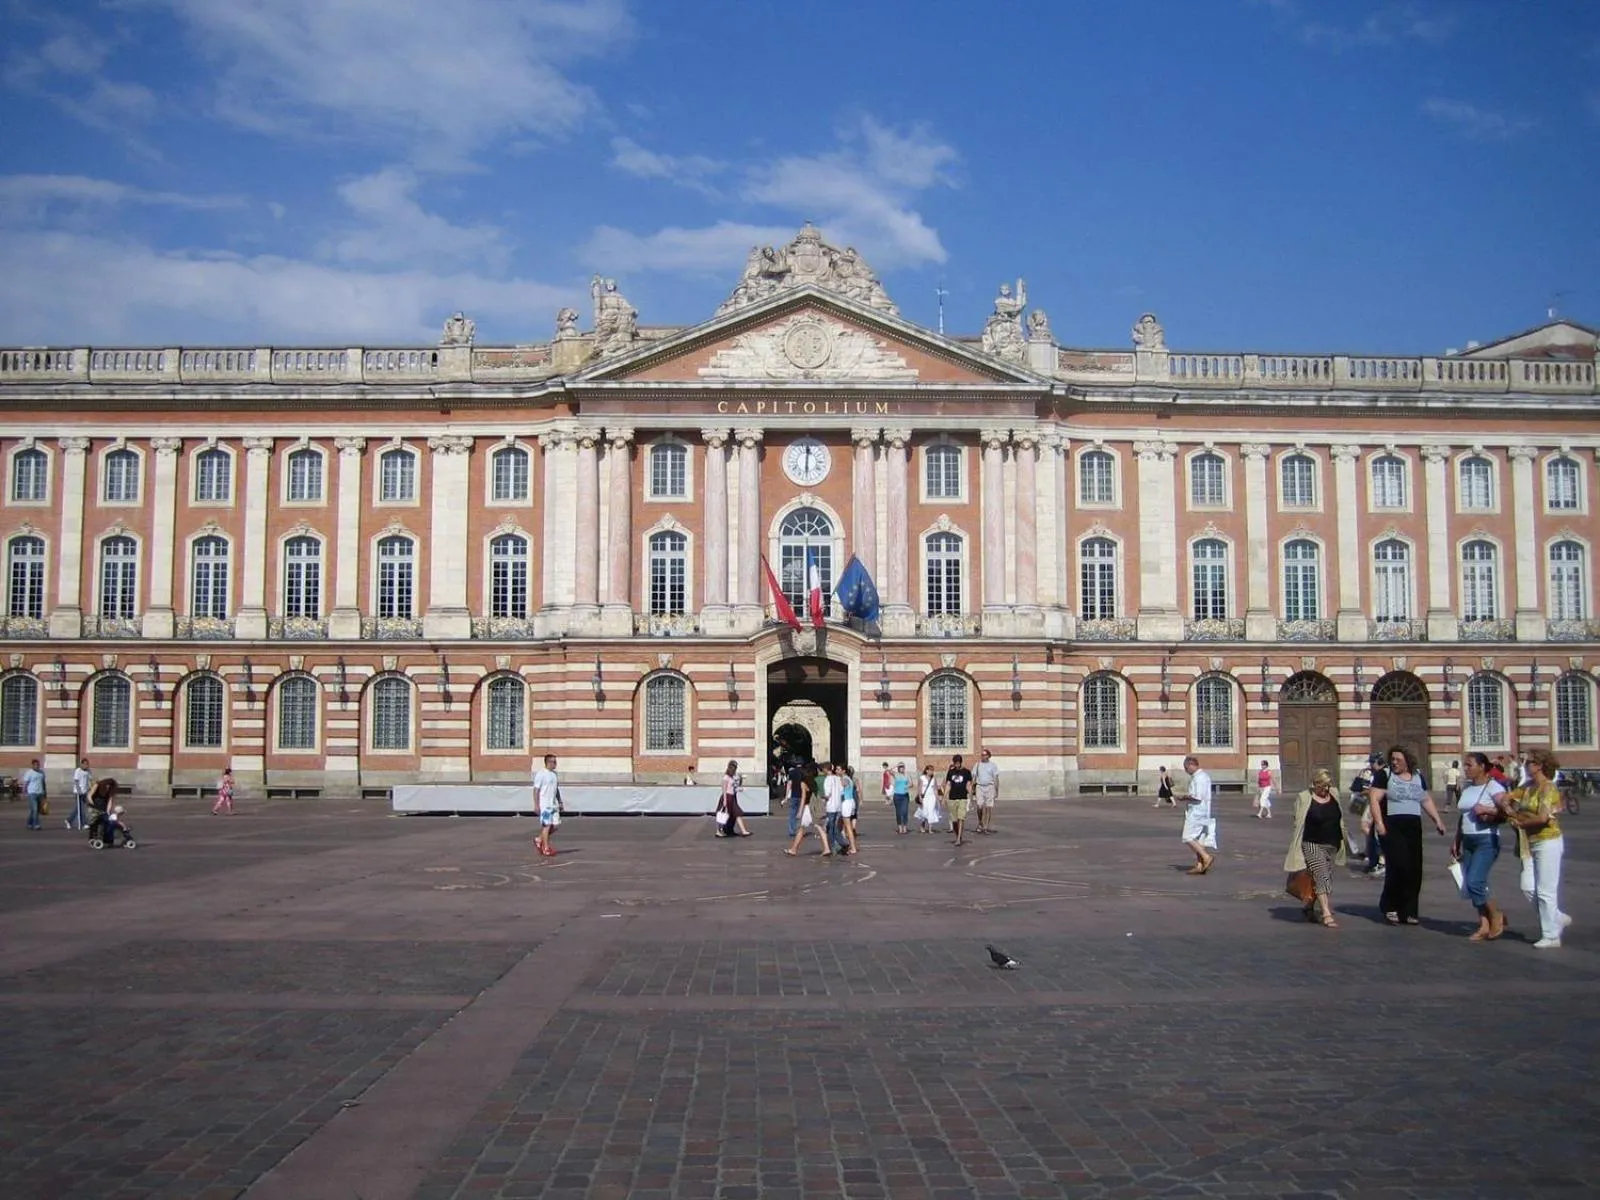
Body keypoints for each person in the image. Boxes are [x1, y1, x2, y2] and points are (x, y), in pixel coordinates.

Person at [1497, 748, 1571, 949]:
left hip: (1548, 841)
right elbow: (1505, 798)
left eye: (1529, 762)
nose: (1525, 765)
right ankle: (1556, 916)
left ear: (1539, 766)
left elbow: (1542, 818)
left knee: (1546, 890)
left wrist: (1520, 821)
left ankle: (1551, 935)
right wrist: (1510, 810)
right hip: (1529, 842)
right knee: (1527, 886)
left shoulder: (1548, 788)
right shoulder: (1528, 787)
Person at [1368, 745, 1448, 926]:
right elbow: (1374, 799)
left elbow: (1425, 799)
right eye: (1393, 759)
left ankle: (1409, 911)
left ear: (1407, 760)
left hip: (1413, 826)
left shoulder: (1417, 776)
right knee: (1398, 866)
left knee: (1414, 869)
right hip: (1391, 825)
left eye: (1398, 759)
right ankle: (1390, 907)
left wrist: (1437, 820)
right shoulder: (1384, 775)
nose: (1394, 762)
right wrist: (1379, 824)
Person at [1453, 751, 1507, 942]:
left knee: (1475, 881)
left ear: (1482, 767)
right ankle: (1484, 925)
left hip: (1486, 839)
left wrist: (1488, 809)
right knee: (1472, 883)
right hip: (1468, 840)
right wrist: (1457, 840)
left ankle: (1496, 915)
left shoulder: (1493, 787)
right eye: (1465, 765)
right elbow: (1463, 816)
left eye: (1469, 765)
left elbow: (1507, 809)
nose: (1465, 769)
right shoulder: (1467, 789)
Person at [1284, 769, 1347, 927]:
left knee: (1320, 876)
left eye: (1328, 785)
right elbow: (1296, 818)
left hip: (1331, 844)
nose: (1326, 789)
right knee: (1322, 875)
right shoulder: (1304, 797)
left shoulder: (1334, 794)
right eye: (1323, 786)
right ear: (1315, 784)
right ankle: (1326, 913)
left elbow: (1340, 817)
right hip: (1311, 843)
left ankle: (1309, 907)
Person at [1181, 755, 1216, 874]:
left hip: (1197, 812)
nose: (1186, 771)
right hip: (1203, 811)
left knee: (1187, 837)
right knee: (1199, 840)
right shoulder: (1202, 776)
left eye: (1186, 768)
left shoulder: (1199, 778)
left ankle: (1206, 857)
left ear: (1191, 765)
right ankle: (1200, 865)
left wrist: (1185, 797)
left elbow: (1198, 796)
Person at [533, 753, 560, 857]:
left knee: (556, 825)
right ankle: (546, 847)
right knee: (547, 825)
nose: (555, 764)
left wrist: (560, 801)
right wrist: (536, 804)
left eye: (555, 762)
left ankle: (539, 839)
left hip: (553, 803)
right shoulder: (541, 774)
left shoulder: (554, 774)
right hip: (545, 804)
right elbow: (536, 790)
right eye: (553, 762)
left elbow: (556, 789)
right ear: (548, 762)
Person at [715, 760, 751, 838]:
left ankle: (740, 830)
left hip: (732, 797)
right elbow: (724, 789)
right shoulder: (726, 777)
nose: (735, 770)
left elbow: (734, 787)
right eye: (734, 768)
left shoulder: (732, 777)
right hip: (727, 797)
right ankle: (719, 831)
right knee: (724, 814)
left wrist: (740, 781)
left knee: (735, 813)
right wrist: (724, 800)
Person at [945, 753, 973, 846]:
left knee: (961, 818)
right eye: (955, 763)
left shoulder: (966, 772)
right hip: (952, 798)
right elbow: (948, 785)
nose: (957, 765)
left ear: (961, 763)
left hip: (962, 798)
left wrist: (971, 797)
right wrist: (944, 797)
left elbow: (968, 785)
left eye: (958, 763)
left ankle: (958, 839)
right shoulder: (950, 772)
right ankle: (958, 835)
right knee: (954, 820)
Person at [974, 749, 1000, 834]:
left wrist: (996, 790)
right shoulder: (977, 765)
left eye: (985, 755)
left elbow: (996, 778)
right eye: (982, 755)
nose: (983, 756)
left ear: (988, 756)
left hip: (990, 786)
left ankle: (985, 827)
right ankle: (980, 822)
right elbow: (974, 777)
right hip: (979, 786)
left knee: (988, 807)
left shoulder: (993, 765)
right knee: (979, 806)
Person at [916, 764, 942, 834]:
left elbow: (935, 789)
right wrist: (920, 797)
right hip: (924, 797)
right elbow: (919, 788)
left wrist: (937, 799)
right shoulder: (922, 778)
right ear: (926, 770)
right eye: (930, 770)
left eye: (932, 770)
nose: (931, 772)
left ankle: (930, 829)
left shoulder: (933, 779)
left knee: (931, 811)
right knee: (924, 812)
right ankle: (922, 825)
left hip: (932, 797)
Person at [68, 757, 92, 830]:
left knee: (78, 808)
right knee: (81, 808)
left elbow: (90, 780)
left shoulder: (88, 771)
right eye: (84, 764)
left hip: (85, 792)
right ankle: (84, 823)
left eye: (87, 764)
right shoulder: (78, 771)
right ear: (81, 764)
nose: (86, 766)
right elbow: (76, 781)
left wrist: (90, 789)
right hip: (78, 792)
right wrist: (78, 790)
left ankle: (69, 820)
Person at [22, 757, 45, 831]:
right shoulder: (29, 773)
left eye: (38, 765)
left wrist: (45, 793)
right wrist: (24, 792)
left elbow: (43, 782)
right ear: (32, 765)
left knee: (35, 810)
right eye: (35, 765)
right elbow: (26, 783)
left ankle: (29, 823)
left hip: (40, 793)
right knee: (35, 809)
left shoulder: (41, 772)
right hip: (32, 793)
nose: (37, 766)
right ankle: (36, 825)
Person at [841, 765, 860, 855]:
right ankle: (846, 845)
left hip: (846, 803)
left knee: (847, 827)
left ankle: (852, 847)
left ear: (843, 771)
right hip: (850, 802)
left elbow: (843, 788)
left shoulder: (844, 779)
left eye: (838, 769)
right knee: (842, 826)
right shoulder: (849, 778)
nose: (836, 771)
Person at [891, 762, 912, 834]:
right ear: (898, 768)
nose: (901, 769)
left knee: (905, 811)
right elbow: (888, 770)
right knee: (898, 812)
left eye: (902, 767)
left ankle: (905, 827)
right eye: (900, 767)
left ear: (904, 768)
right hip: (897, 795)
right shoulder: (896, 774)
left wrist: (908, 786)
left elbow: (911, 784)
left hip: (905, 796)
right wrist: (896, 765)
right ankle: (900, 828)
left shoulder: (907, 775)